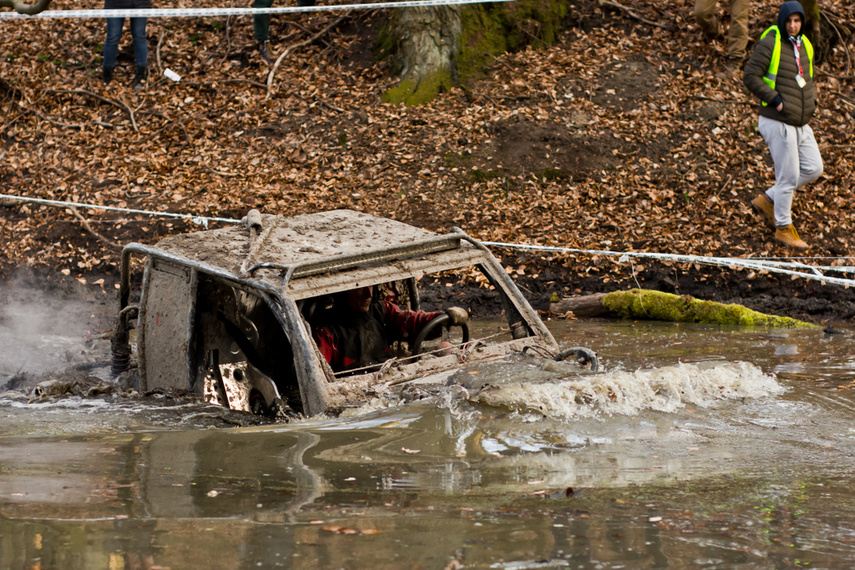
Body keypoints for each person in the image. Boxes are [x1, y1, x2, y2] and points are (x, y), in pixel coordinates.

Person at [743, 1, 823, 250]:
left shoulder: (805, 44)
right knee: (787, 176)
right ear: (781, 21)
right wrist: (775, 100)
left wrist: (812, 102)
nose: (792, 25)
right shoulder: (771, 42)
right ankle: (783, 228)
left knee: (814, 168)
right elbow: (750, 76)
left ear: (802, 22)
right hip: (777, 120)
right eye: (788, 21)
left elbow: (808, 78)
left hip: (800, 121)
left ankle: (768, 199)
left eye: (797, 21)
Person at [311, 286, 469, 373]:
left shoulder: (382, 311)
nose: (368, 294)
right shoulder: (325, 330)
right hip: (356, 389)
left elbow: (413, 322)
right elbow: (319, 372)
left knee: (445, 348)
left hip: (390, 376)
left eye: (370, 286)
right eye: (360, 288)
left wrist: (444, 317)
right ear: (343, 291)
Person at [102, 0, 151, 92]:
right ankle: (107, 75)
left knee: (139, 36)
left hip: (139, 4)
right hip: (115, 4)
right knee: (113, 37)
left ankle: (140, 75)